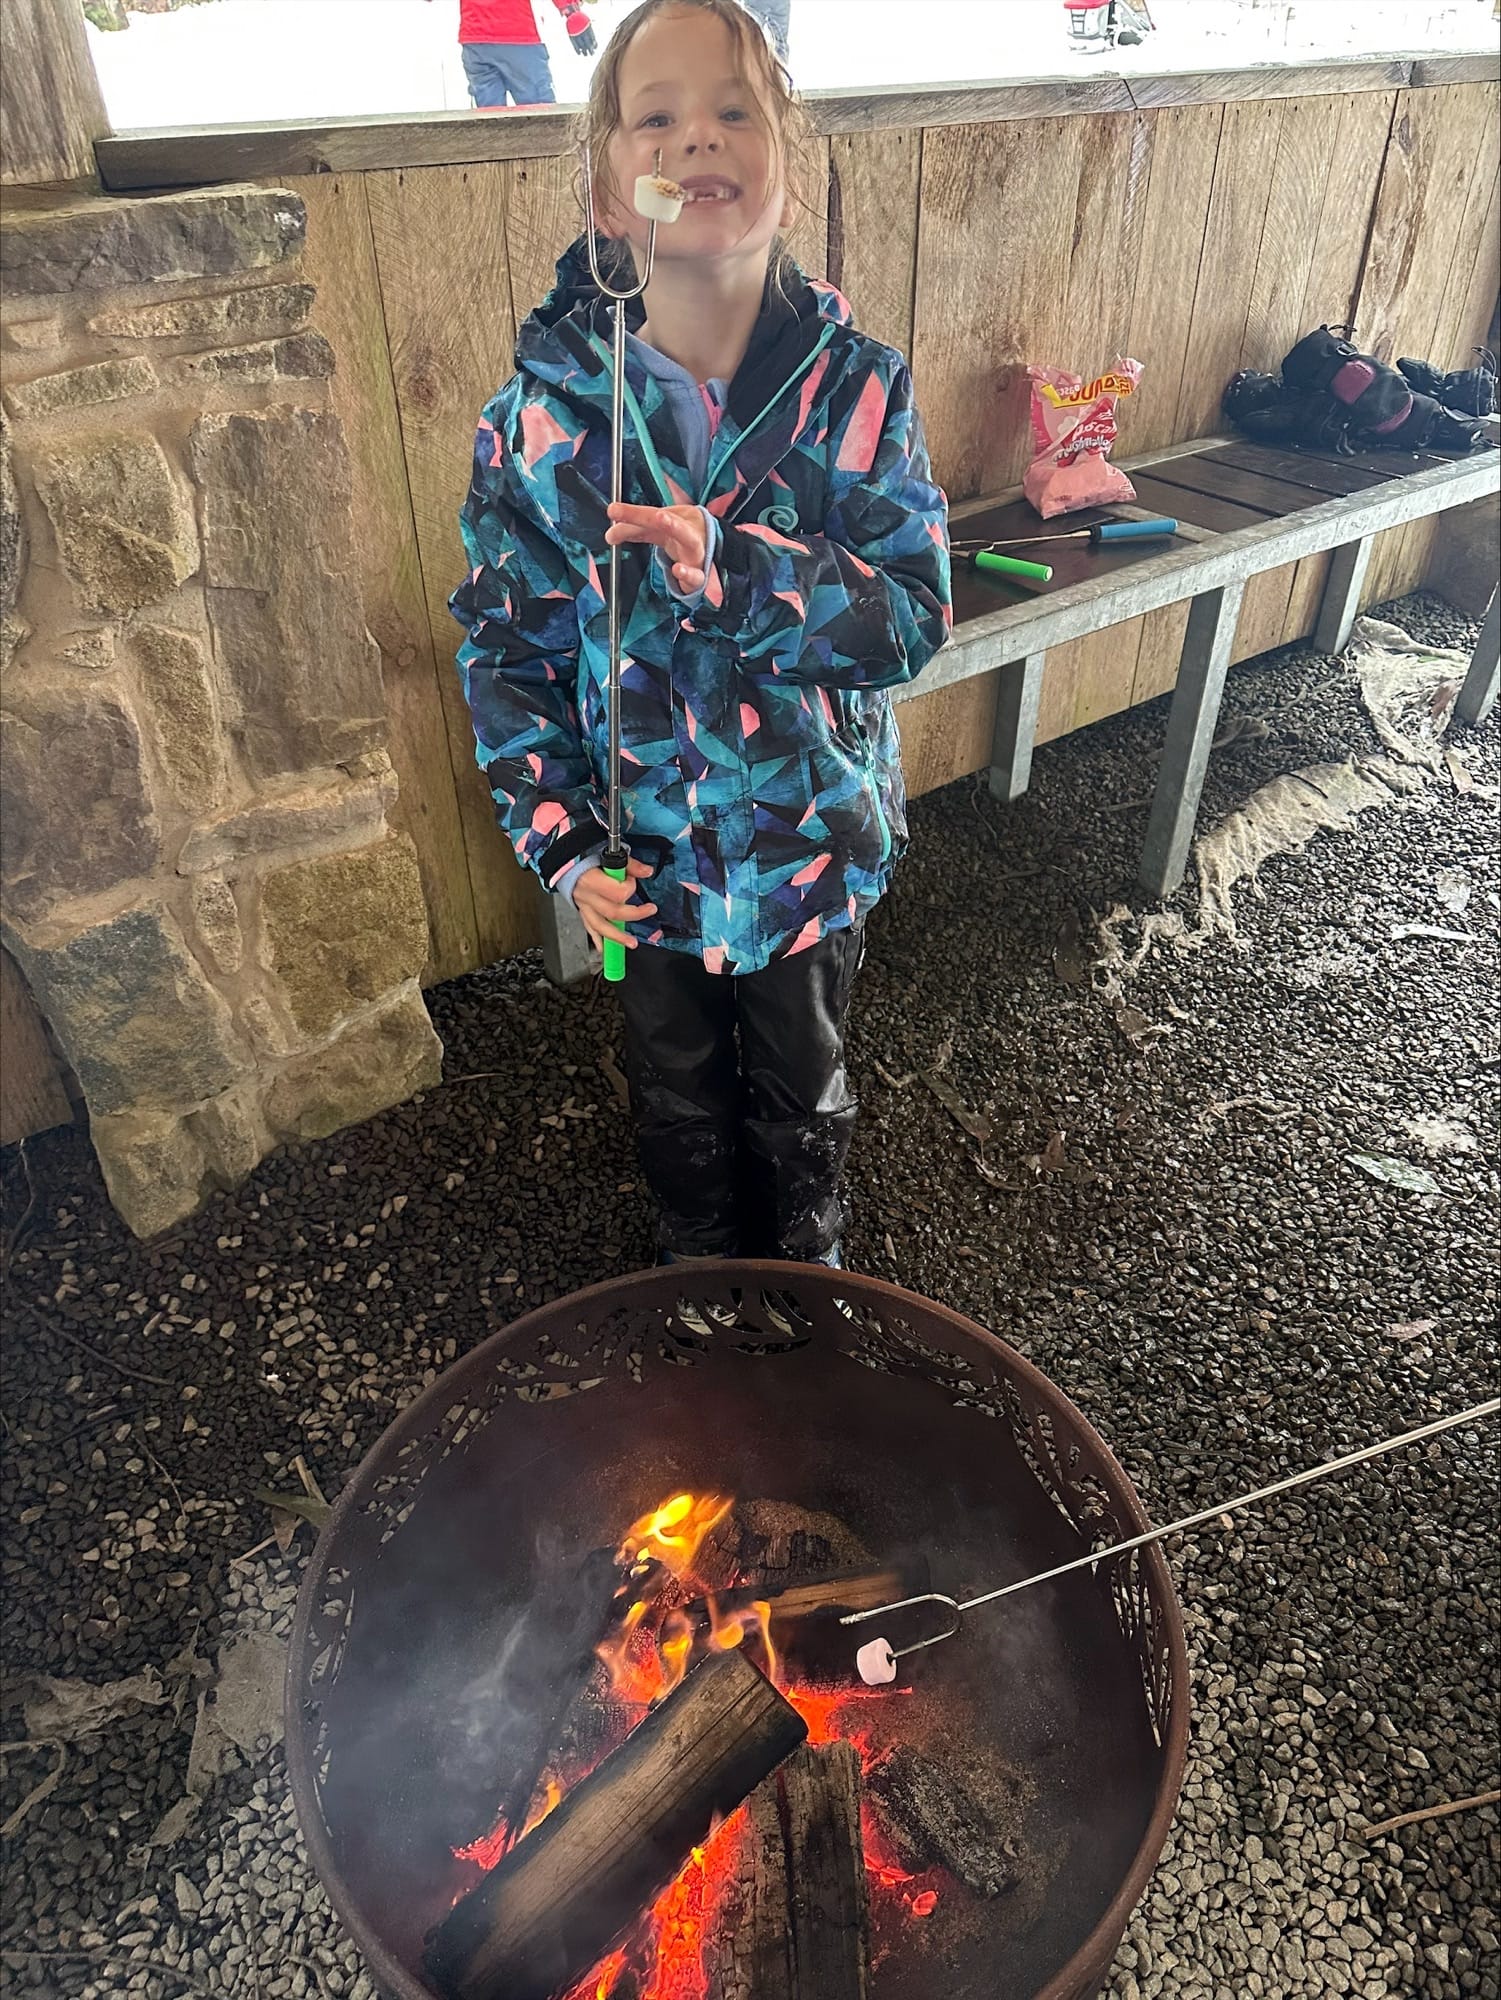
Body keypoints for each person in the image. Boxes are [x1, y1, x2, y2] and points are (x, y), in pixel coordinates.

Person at [451, 0, 950, 1266]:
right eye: (655, 117)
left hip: (805, 849)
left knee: (803, 1077)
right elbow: (507, 650)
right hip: (646, 857)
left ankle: (809, 1270)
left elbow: (907, 613)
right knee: (672, 1082)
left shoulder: (859, 389)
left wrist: (735, 567)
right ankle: (701, 1274)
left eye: (733, 109)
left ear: (786, 160)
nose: (696, 141)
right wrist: (559, 839)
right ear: (608, 194)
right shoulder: (538, 423)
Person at [446, 0, 597, 109]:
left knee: (490, 124)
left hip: (475, 41)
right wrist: (570, 10)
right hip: (519, 36)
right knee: (542, 119)